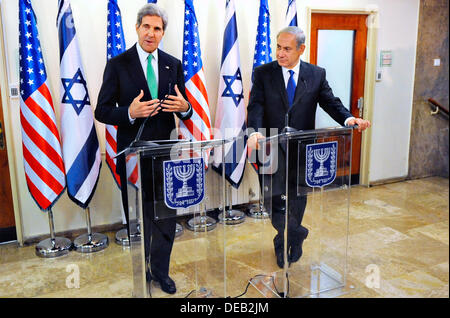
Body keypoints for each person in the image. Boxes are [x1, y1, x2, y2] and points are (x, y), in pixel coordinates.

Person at [247, 26, 370, 268]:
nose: (280, 53)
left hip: (303, 150)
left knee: (297, 199)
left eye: (287, 49)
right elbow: (256, 106)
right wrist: (254, 133)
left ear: (301, 49)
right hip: (270, 148)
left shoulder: (315, 74)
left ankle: (284, 243)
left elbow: (330, 102)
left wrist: (349, 119)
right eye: (278, 47)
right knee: (272, 201)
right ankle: (297, 232)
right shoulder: (263, 73)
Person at [95, 3, 192, 294]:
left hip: (165, 154)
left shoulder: (172, 64)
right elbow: (101, 110)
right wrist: (129, 113)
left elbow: (183, 105)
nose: (151, 33)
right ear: (137, 28)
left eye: (157, 28)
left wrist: (185, 108)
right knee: (140, 217)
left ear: (163, 33)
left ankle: (161, 271)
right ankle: (142, 267)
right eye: (146, 27)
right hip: (133, 155)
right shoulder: (118, 64)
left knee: (166, 216)